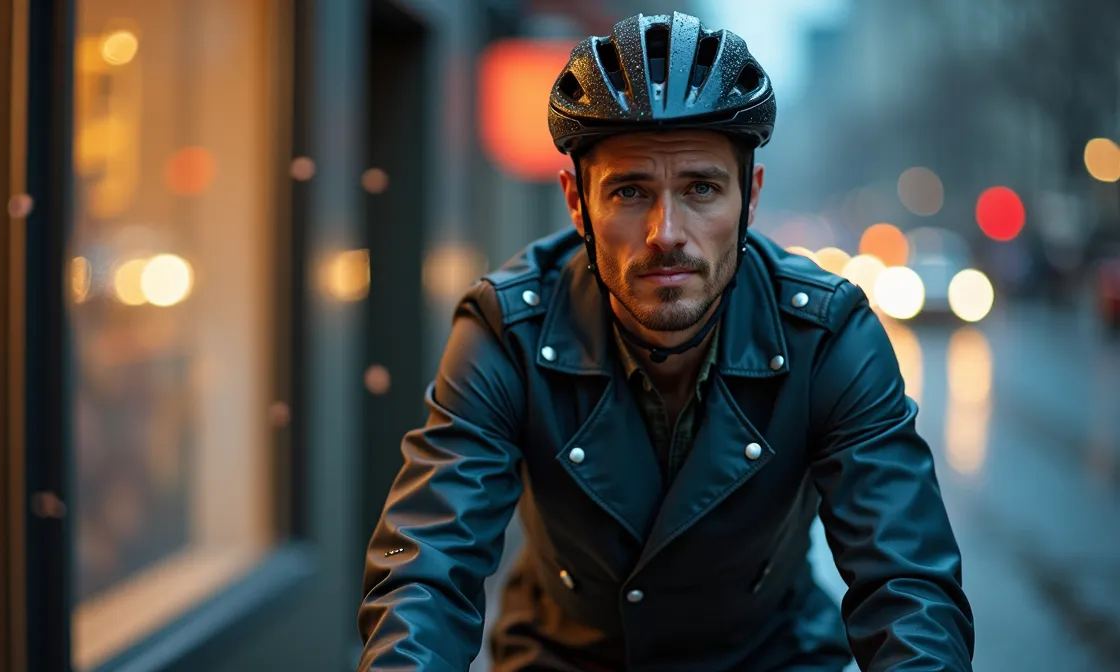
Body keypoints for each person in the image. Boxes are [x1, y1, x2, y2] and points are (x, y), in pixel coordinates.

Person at [358, 11, 975, 672]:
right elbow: (423, 564)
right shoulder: (507, 328)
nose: (667, 233)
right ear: (576, 201)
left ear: (751, 197)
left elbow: (907, 578)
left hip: (773, 658)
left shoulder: (825, 332)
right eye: (629, 191)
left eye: (702, 189)